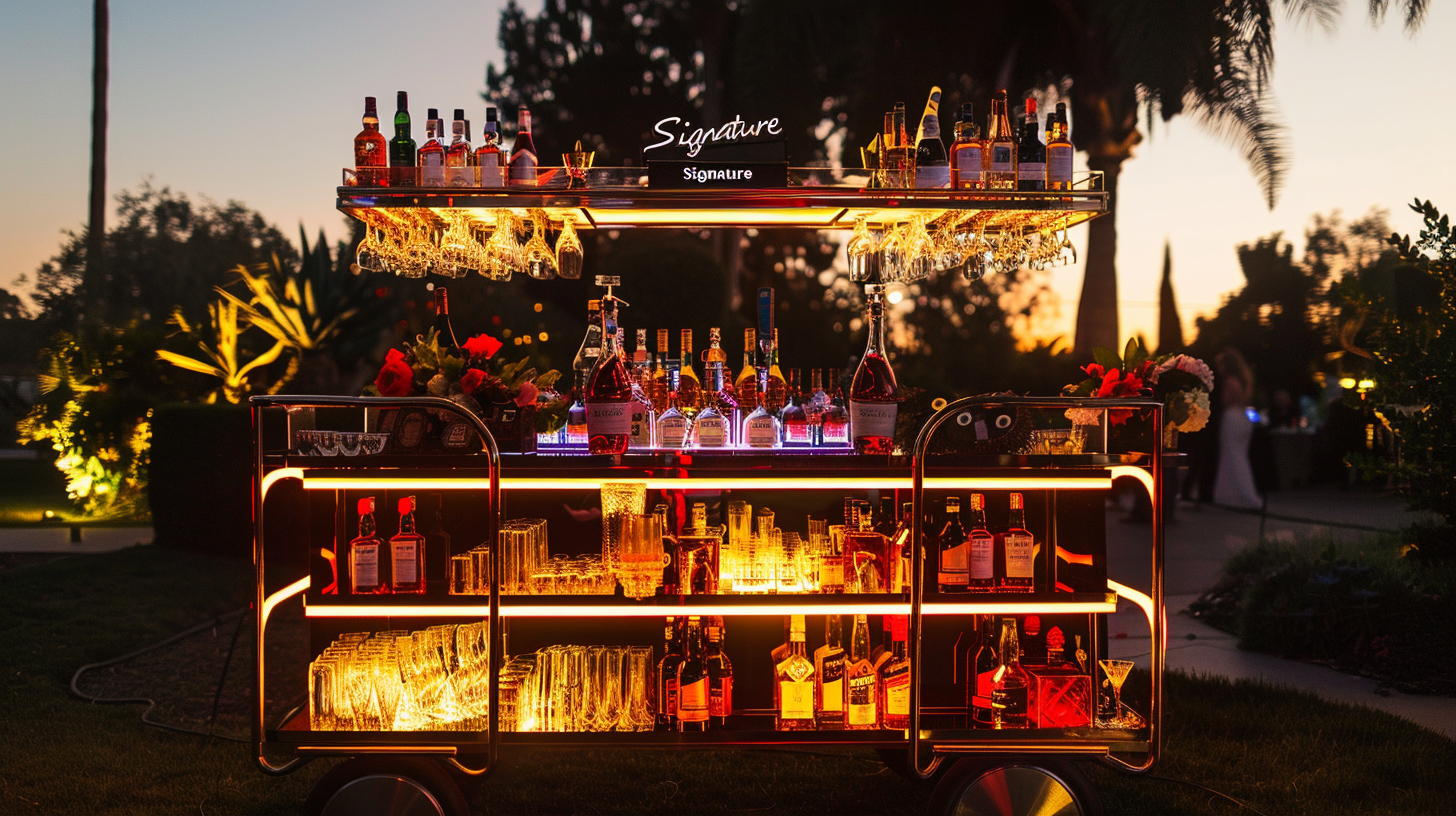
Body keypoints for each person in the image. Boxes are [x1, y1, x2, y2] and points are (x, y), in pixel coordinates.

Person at [1212, 348, 1263, 509]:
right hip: (1244, 418)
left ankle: (1243, 495)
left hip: (1232, 418)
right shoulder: (1245, 381)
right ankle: (1234, 495)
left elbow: (1226, 401)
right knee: (1239, 456)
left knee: (1232, 457)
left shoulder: (1229, 381)